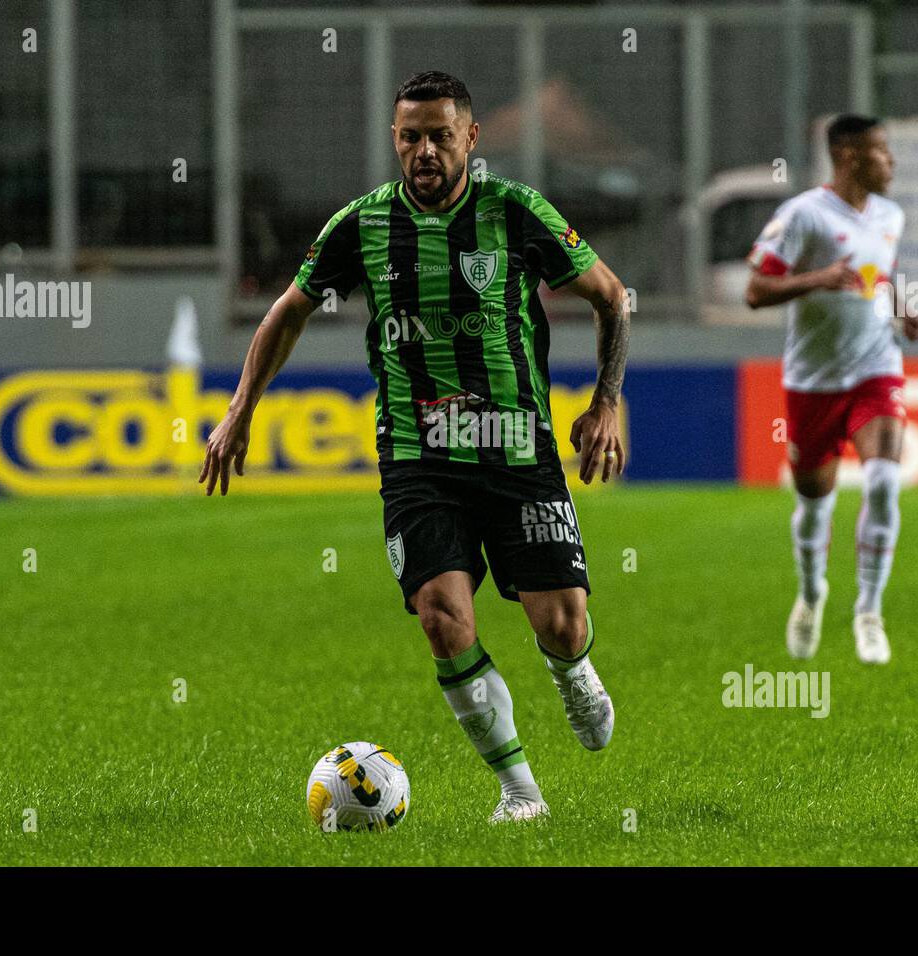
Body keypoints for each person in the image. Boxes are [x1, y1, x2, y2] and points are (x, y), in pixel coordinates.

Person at [200, 72, 630, 823]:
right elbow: (286, 313)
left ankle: (572, 671)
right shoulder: (361, 225)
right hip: (418, 457)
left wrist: (606, 402)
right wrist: (239, 412)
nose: (423, 150)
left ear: (471, 137)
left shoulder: (515, 211)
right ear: (394, 141)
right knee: (441, 614)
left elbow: (609, 296)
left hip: (517, 451)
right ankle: (520, 792)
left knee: (561, 623)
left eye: (438, 134)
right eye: (409, 137)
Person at [745, 114, 918, 666]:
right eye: (881, 151)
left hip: (876, 367)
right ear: (848, 156)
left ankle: (869, 611)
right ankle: (812, 592)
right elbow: (756, 290)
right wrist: (816, 279)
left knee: (883, 483)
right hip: (813, 381)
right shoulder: (804, 216)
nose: (890, 161)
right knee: (815, 507)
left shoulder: (890, 216)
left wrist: (900, 310)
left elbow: (878, 276)